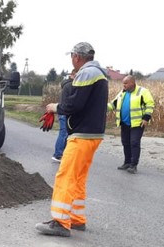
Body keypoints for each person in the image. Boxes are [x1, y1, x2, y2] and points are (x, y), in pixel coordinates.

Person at [35, 42, 109, 237]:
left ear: (77, 56)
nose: (72, 60)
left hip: (82, 134)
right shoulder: (98, 73)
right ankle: (76, 219)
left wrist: (55, 107)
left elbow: (74, 103)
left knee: (65, 176)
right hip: (93, 134)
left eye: (72, 57)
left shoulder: (87, 73)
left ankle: (60, 221)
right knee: (78, 178)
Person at [108, 75, 155, 174]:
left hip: (137, 123)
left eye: (125, 83)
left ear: (132, 83)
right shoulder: (122, 93)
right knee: (125, 142)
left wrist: (146, 118)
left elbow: (150, 104)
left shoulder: (143, 92)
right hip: (125, 123)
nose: (123, 85)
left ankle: (134, 165)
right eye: (123, 83)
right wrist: (101, 107)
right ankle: (127, 162)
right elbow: (113, 104)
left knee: (134, 143)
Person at [52, 70, 76, 162]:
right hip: (64, 112)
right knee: (64, 133)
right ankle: (58, 154)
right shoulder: (70, 85)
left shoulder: (67, 84)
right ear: (73, 75)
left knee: (65, 133)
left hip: (64, 111)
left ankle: (62, 154)